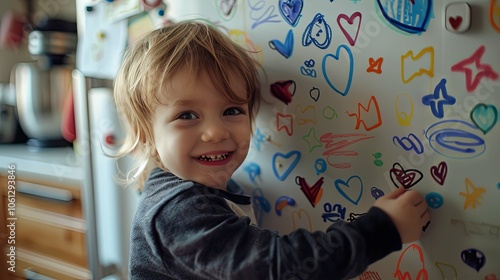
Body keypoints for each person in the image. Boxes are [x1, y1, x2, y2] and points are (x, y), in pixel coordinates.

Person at [113, 20, 431, 280]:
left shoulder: (196, 194)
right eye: (187, 116)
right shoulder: (177, 212)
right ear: (146, 136)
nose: (215, 131)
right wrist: (382, 230)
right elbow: (282, 267)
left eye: (232, 110)